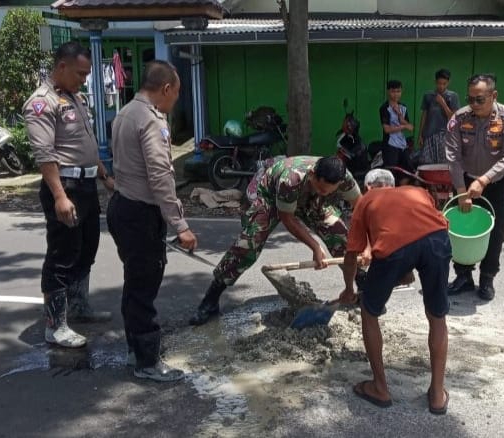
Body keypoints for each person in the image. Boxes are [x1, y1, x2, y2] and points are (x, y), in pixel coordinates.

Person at [189, 155, 368, 326]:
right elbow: (288, 218)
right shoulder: (290, 179)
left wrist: (367, 245)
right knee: (248, 244)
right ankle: (211, 300)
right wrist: (315, 246)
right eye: (321, 188)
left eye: (329, 190)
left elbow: (361, 210)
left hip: (313, 202)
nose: (325, 191)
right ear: (313, 174)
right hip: (271, 197)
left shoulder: (344, 178)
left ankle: (363, 291)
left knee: (343, 240)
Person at [107, 60, 196, 382]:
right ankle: (148, 363)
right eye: (177, 94)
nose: (175, 101)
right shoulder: (150, 120)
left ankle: (136, 349)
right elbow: (160, 176)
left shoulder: (125, 113)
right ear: (166, 89)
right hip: (140, 213)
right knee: (144, 287)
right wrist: (181, 226)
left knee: (134, 283)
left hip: (122, 207)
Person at [337, 168, 451, 413]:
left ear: (368, 187)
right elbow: (417, 235)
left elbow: (351, 255)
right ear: (393, 184)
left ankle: (379, 387)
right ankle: (437, 395)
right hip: (438, 239)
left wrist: (349, 289)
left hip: (396, 249)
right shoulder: (417, 192)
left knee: (369, 311)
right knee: (437, 316)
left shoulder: (365, 201)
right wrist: (405, 270)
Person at [24, 41, 114, 348]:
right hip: (65, 187)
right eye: (80, 73)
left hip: (86, 185)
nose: (84, 79)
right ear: (62, 67)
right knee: (61, 255)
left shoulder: (75, 98)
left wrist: (103, 174)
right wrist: (60, 197)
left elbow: (85, 144)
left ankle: (78, 307)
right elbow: (45, 154)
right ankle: (55, 325)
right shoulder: (41, 102)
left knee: (86, 249)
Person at [444, 73, 504, 301]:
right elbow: (453, 156)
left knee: (496, 233)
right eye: (471, 99)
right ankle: (463, 277)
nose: (474, 104)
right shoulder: (458, 119)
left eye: (480, 99)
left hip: (498, 183)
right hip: (465, 180)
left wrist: (483, 180)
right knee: (460, 231)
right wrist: (461, 190)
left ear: (493, 95)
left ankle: (487, 279)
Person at [418, 69, 460, 165]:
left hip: (444, 136)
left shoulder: (453, 96)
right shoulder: (428, 96)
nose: (441, 86)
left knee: (443, 164)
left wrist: (443, 103)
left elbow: (453, 118)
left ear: (448, 83)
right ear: (435, 82)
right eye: (439, 83)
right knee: (426, 163)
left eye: (444, 84)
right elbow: (424, 116)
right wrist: (420, 134)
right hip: (429, 135)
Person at [379, 79, 414, 178]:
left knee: (407, 173)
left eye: (398, 91)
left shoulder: (403, 107)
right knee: (391, 174)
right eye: (393, 91)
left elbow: (410, 127)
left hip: (402, 145)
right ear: (388, 92)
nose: (396, 94)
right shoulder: (384, 108)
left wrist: (399, 114)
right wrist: (403, 126)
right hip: (390, 145)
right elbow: (387, 129)